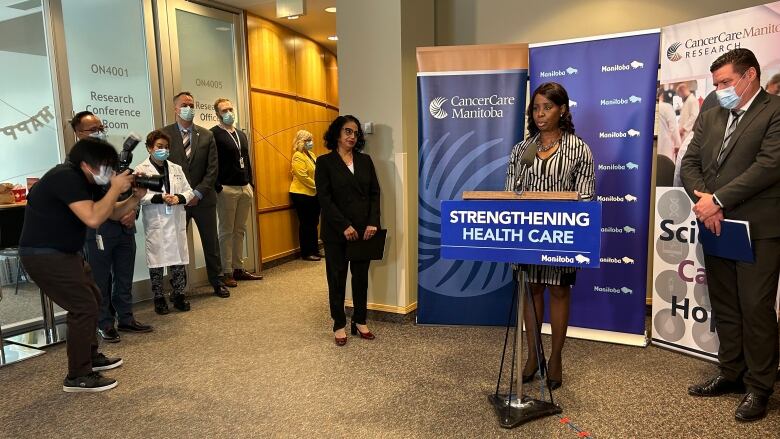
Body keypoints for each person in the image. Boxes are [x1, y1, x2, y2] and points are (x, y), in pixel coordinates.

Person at [681, 48, 780, 422]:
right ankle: (731, 371)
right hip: (715, 224)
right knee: (725, 303)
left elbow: (770, 165)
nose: (719, 89)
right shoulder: (710, 117)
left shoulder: (775, 111)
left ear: (750, 75)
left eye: (725, 82)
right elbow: (689, 163)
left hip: (759, 227)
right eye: (716, 83)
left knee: (755, 306)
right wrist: (707, 201)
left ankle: (759, 386)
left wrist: (718, 199)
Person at [19, 138, 145, 392]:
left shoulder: (86, 181)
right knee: (83, 306)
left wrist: (135, 197)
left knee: (93, 297)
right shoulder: (65, 177)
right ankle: (78, 375)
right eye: (106, 167)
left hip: (66, 253)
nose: (110, 173)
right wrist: (114, 187)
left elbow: (112, 213)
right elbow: (93, 218)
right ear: (87, 165)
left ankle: (90, 358)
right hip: (44, 254)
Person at [504, 82, 595, 391]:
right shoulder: (521, 150)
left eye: (547, 107)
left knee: (558, 291)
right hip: (528, 235)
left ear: (562, 110)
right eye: (536, 107)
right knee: (533, 289)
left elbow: (585, 196)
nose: (540, 113)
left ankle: (555, 357)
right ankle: (533, 355)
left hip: (562, 236)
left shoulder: (578, 148)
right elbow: (510, 193)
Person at [72, 111, 152, 343]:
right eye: (92, 128)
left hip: (125, 228)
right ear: (78, 133)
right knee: (100, 280)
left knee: (124, 276)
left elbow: (128, 187)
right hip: (99, 232)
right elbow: (89, 204)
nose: (99, 131)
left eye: (100, 126)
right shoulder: (78, 167)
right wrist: (117, 213)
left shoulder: (113, 158)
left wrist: (132, 212)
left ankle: (126, 318)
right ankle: (105, 323)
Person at [315, 115, 380, 346]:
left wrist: (373, 222)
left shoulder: (365, 161)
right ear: (337, 134)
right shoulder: (324, 162)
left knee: (361, 278)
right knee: (337, 278)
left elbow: (374, 193)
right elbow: (325, 198)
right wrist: (344, 225)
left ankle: (360, 321)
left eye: (355, 132)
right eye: (347, 131)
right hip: (336, 232)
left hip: (365, 231)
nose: (352, 136)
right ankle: (339, 324)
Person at [162, 92, 230, 299]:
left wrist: (198, 193)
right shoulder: (164, 135)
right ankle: (178, 288)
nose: (189, 108)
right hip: (178, 202)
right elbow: (162, 168)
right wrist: (181, 196)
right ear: (175, 108)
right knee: (177, 246)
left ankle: (217, 281)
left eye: (192, 105)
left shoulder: (206, 135)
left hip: (203, 199)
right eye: (184, 105)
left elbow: (213, 169)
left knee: (211, 242)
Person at [135, 131, 195, 314]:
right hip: (157, 221)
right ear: (149, 148)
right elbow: (140, 196)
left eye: (166, 147)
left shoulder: (176, 168)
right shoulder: (141, 169)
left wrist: (178, 197)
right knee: (157, 261)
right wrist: (160, 197)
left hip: (175, 218)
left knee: (178, 259)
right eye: (159, 147)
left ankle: (178, 294)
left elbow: (189, 191)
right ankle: (159, 297)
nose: (164, 150)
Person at [211, 98, 262, 287]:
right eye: (224, 110)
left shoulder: (241, 134)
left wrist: (251, 183)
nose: (228, 113)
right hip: (226, 188)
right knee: (226, 230)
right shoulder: (213, 134)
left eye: (230, 109)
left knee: (240, 230)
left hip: (244, 187)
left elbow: (246, 159)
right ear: (217, 114)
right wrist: (218, 186)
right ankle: (226, 271)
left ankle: (238, 268)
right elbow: (212, 162)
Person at [289, 129, 322, 261]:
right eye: (308, 140)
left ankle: (315, 249)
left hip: (313, 193)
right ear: (301, 142)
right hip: (301, 194)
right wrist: (317, 186)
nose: (310, 143)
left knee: (314, 222)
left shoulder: (311, 154)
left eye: (311, 140)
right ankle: (307, 252)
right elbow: (302, 176)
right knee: (306, 223)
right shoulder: (297, 155)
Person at [656, 88, 682, 160]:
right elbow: (673, 127)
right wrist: (678, 144)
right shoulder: (667, 107)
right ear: (661, 95)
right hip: (665, 147)